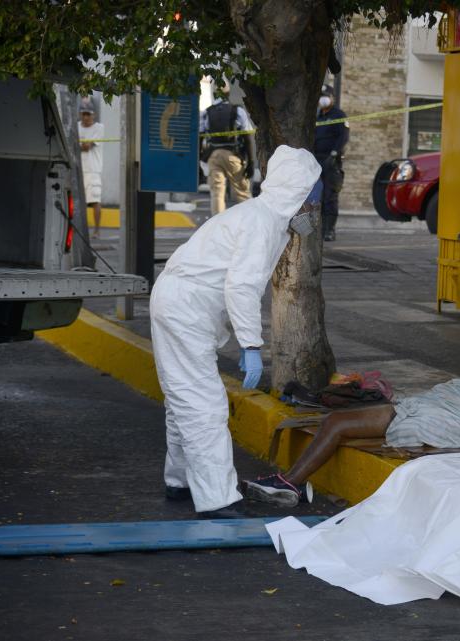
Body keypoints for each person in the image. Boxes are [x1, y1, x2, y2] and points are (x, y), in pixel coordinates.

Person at [150, 145, 321, 519]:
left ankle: (180, 481)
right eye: (312, 196)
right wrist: (251, 345)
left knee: (184, 396)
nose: (314, 206)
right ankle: (217, 499)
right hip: (185, 308)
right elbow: (242, 286)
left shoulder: (267, 219)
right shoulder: (262, 222)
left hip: (183, 304)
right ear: (298, 192)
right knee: (202, 402)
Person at [241, 373, 460, 507]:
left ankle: (288, 484)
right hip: (427, 406)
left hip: (434, 417)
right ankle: (288, 482)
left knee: (336, 422)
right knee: (337, 420)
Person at [200, 86, 253, 215]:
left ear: (213, 94)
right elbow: (247, 136)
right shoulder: (237, 111)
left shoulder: (207, 112)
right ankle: (249, 222)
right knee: (242, 192)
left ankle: (218, 226)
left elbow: (200, 137)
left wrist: (200, 159)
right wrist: (251, 161)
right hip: (233, 155)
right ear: (228, 94)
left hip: (214, 155)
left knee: (217, 193)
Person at [314, 84, 349, 242]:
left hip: (331, 162)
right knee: (317, 196)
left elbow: (343, 137)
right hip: (317, 161)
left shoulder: (338, 115)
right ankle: (319, 229)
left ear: (332, 97)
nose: (323, 99)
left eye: (326, 95)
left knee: (330, 196)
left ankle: (329, 230)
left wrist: (334, 154)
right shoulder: (318, 116)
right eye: (321, 95)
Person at [77, 100, 104, 239]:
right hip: (78, 167)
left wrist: (78, 144)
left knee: (95, 201)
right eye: (84, 114)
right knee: (78, 201)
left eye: (89, 114)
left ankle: (97, 230)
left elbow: (87, 146)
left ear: (93, 115)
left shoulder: (99, 128)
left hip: (93, 170)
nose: (86, 117)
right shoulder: (76, 127)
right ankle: (81, 229)